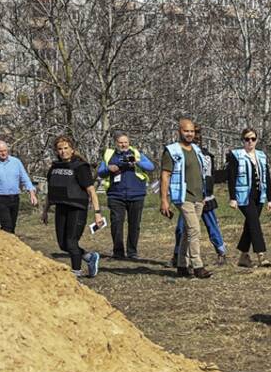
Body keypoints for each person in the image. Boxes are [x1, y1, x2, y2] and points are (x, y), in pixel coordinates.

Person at [40, 134, 105, 277]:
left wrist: (97, 213)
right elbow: (51, 191)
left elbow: (91, 191)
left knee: (71, 242)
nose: (63, 151)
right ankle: (89, 257)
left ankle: (76, 273)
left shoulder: (80, 167)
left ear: (72, 149)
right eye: (60, 149)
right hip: (61, 207)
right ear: (56, 151)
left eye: (66, 148)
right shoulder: (54, 167)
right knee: (63, 244)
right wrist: (45, 211)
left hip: (77, 208)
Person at [159, 116, 213, 279]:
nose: (189, 134)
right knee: (195, 230)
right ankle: (198, 266)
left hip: (198, 196)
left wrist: (205, 194)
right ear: (179, 131)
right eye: (186, 131)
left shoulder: (196, 150)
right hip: (183, 196)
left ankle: (182, 265)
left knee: (187, 232)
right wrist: (164, 200)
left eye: (191, 131)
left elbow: (203, 173)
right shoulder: (172, 151)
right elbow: (165, 176)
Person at [173, 124, 228, 266]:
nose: (195, 137)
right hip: (187, 197)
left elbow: (209, 176)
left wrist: (207, 193)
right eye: (192, 133)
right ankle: (177, 255)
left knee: (212, 227)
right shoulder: (179, 153)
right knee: (182, 229)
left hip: (205, 197)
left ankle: (221, 252)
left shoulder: (206, 155)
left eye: (197, 134)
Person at [96, 131, 155, 260]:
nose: (123, 145)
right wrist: (108, 169)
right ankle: (118, 252)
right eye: (120, 143)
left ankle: (132, 252)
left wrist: (137, 162)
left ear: (129, 143)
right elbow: (100, 172)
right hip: (115, 194)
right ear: (116, 143)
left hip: (136, 194)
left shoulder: (137, 153)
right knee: (116, 223)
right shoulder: (109, 154)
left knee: (134, 224)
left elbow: (151, 167)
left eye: (126, 142)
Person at [226, 127, 271, 267]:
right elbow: (231, 178)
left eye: (253, 139)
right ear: (243, 140)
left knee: (250, 225)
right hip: (243, 196)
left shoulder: (261, 155)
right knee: (255, 224)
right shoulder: (236, 155)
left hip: (259, 195)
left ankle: (243, 257)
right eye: (247, 139)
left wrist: (270, 199)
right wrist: (232, 198)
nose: (250, 142)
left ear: (257, 140)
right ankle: (261, 255)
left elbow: (268, 178)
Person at [0, 140, 37, 233]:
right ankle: (6, 245)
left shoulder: (16, 162)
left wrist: (32, 193)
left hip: (14, 197)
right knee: (7, 225)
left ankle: (7, 244)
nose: (3, 153)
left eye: (5, 150)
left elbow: (24, 177)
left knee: (12, 225)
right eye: (0, 151)